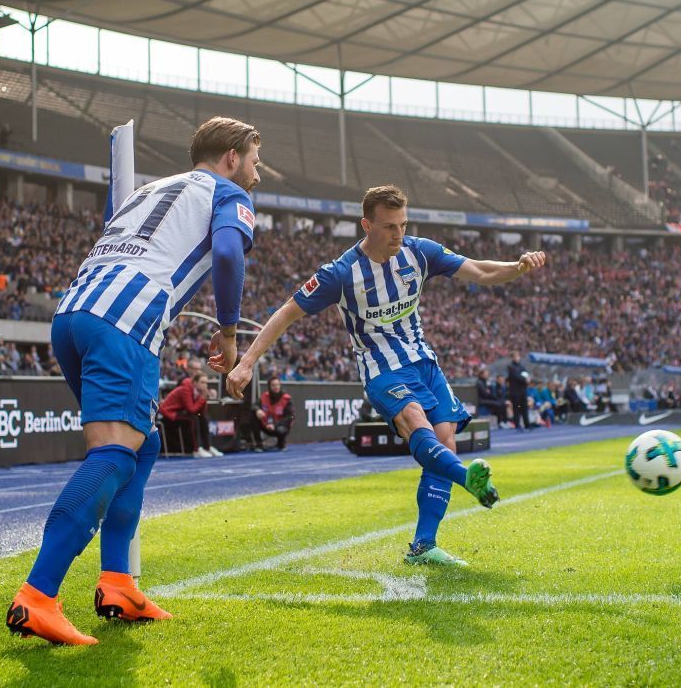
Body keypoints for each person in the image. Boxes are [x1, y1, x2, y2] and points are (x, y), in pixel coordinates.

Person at [7, 116, 260, 646]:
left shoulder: (149, 189)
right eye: (255, 161)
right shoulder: (228, 190)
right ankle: (37, 596)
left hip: (74, 312)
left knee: (143, 444)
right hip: (127, 319)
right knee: (115, 453)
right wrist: (230, 331)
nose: (258, 174)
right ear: (232, 157)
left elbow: (111, 226)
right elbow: (231, 253)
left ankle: (118, 583)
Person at [229, 184, 546, 567]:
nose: (398, 234)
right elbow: (286, 312)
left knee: (446, 438)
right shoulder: (341, 273)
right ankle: (467, 480)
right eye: (389, 227)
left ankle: (424, 547)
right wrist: (247, 362)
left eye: (402, 225)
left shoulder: (419, 252)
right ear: (367, 225)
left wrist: (518, 267)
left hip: (424, 361)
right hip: (381, 368)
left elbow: (478, 270)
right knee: (416, 422)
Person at [160, 373, 214, 458]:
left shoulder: (198, 391)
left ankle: (208, 447)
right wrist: (202, 398)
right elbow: (191, 410)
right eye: (202, 382)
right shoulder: (186, 389)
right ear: (195, 383)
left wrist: (204, 399)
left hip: (180, 412)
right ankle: (196, 450)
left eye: (206, 383)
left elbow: (201, 412)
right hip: (168, 413)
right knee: (193, 420)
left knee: (202, 418)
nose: (205, 385)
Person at [252, 374, 293, 451]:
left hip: (279, 426)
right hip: (266, 425)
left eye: (277, 385)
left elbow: (289, 417)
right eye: (273, 385)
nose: (276, 387)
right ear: (269, 387)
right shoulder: (264, 397)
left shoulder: (286, 399)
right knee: (253, 415)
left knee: (283, 427)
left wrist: (275, 425)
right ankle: (259, 444)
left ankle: (281, 443)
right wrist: (257, 410)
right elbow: (254, 406)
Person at [505, 352, 532, 431]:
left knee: (524, 408)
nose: (517, 358)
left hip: (523, 390)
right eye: (515, 356)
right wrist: (525, 380)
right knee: (516, 408)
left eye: (518, 356)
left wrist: (528, 378)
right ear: (513, 357)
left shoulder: (521, 366)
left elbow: (526, 374)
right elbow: (516, 376)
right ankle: (517, 424)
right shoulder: (511, 366)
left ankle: (527, 424)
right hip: (515, 391)